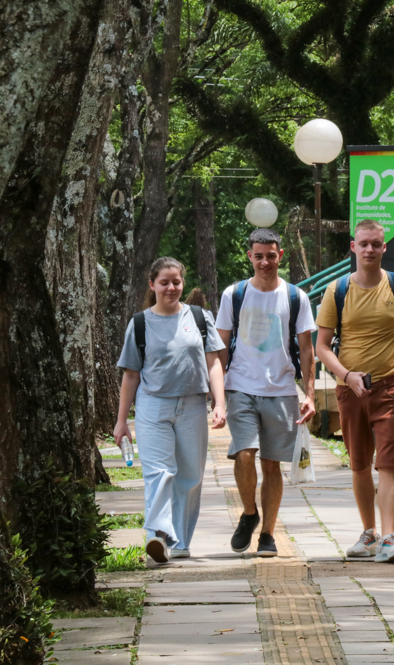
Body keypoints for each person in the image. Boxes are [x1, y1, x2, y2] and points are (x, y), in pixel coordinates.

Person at [315, 220, 394, 563]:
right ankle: (369, 534)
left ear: (384, 248)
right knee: (360, 464)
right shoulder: (337, 290)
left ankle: (389, 538)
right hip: (351, 390)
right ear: (353, 247)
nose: (369, 250)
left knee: (389, 464)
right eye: (363, 244)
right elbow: (322, 346)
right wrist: (346, 375)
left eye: (375, 244)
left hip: (391, 387)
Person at [114, 257, 227, 564]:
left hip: (192, 405)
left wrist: (219, 402)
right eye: (164, 282)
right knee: (159, 473)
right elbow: (131, 375)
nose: (171, 288)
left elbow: (213, 362)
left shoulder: (200, 317)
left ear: (182, 283)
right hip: (153, 406)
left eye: (176, 281)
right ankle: (157, 535)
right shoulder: (140, 323)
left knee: (190, 476)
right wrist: (122, 421)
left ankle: (179, 541)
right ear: (152, 285)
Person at [215, 228, 316, 558]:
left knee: (272, 467)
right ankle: (248, 514)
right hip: (240, 386)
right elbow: (219, 346)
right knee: (245, 453)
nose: (264, 262)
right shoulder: (234, 294)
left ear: (280, 256)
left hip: (282, 390)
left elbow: (306, 350)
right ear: (250, 257)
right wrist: (217, 394)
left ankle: (268, 534)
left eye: (270, 256)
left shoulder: (296, 297)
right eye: (258, 256)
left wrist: (309, 394)